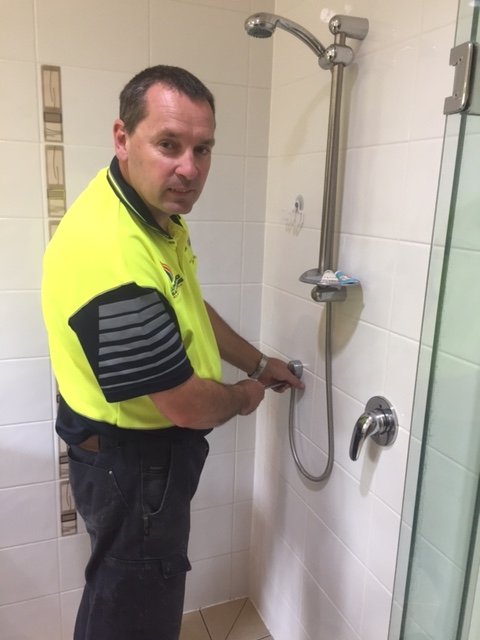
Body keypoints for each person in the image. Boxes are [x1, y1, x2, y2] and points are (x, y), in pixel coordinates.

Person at [41, 65, 303, 640]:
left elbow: (187, 308)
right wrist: (245, 395)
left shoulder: (152, 215)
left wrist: (258, 363)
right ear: (122, 137)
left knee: (116, 598)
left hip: (131, 460)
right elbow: (184, 405)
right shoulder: (111, 253)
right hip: (133, 468)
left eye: (202, 149)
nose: (190, 168)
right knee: (136, 616)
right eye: (169, 144)